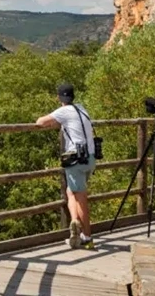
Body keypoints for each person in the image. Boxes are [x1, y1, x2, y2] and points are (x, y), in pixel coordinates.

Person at [36, 82, 96, 250]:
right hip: (90, 158)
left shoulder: (63, 111)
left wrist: (55, 123)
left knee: (81, 198)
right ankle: (75, 222)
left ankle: (87, 237)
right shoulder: (81, 108)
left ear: (59, 97)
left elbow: (40, 122)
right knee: (71, 192)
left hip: (76, 160)